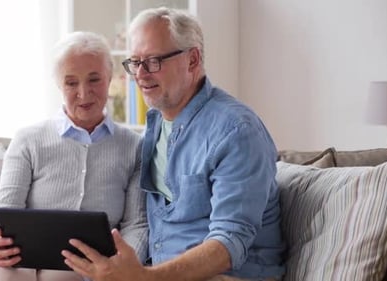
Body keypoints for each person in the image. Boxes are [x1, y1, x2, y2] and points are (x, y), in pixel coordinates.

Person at [61, 7, 285, 281]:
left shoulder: (237, 131)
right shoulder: (154, 126)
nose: (140, 74)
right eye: (135, 62)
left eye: (153, 61)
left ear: (192, 60)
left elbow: (228, 243)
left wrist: (145, 277)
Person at [0, 31, 148, 281]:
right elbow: (4, 208)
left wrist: (121, 265)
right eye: (71, 83)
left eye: (94, 79)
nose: (84, 94)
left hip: (83, 265)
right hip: (18, 260)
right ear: (58, 85)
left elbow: (136, 225)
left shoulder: (135, 146)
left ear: (110, 78)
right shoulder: (28, 139)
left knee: (64, 278)